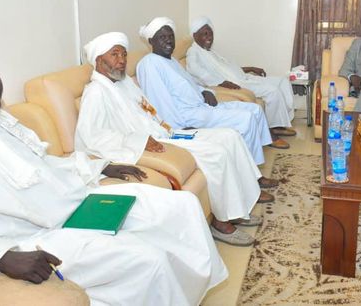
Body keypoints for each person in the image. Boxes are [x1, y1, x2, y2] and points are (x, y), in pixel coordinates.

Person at [0, 34, 228, 306]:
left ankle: (192, 293)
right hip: (38, 238)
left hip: (77, 206)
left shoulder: (4, 125)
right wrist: (5, 258)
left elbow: (48, 165)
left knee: (181, 206)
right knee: (149, 260)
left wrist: (102, 165)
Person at [76, 32, 275, 246]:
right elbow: (92, 136)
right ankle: (222, 223)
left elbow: (149, 111)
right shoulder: (96, 92)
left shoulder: (124, 84)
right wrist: (141, 141)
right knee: (216, 153)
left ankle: (239, 208)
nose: (122, 60)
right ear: (99, 60)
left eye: (124, 54)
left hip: (166, 132)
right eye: (114, 54)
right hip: (150, 143)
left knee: (230, 136)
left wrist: (169, 127)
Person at [136, 17, 280, 188]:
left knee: (254, 109)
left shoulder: (171, 60)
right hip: (187, 116)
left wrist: (207, 92)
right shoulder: (149, 64)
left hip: (201, 105)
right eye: (162, 37)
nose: (168, 41)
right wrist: (179, 127)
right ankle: (253, 180)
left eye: (170, 36)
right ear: (151, 41)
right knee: (245, 119)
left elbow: (190, 84)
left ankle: (253, 163)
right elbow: (160, 102)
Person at [186, 16, 296, 141]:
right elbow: (195, 70)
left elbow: (229, 68)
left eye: (211, 33)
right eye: (205, 34)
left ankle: (281, 122)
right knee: (272, 91)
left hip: (244, 77)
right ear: (195, 36)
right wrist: (221, 82)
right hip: (237, 83)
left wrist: (250, 68)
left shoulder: (210, 52)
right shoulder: (193, 52)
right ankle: (273, 128)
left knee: (282, 81)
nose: (209, 37)